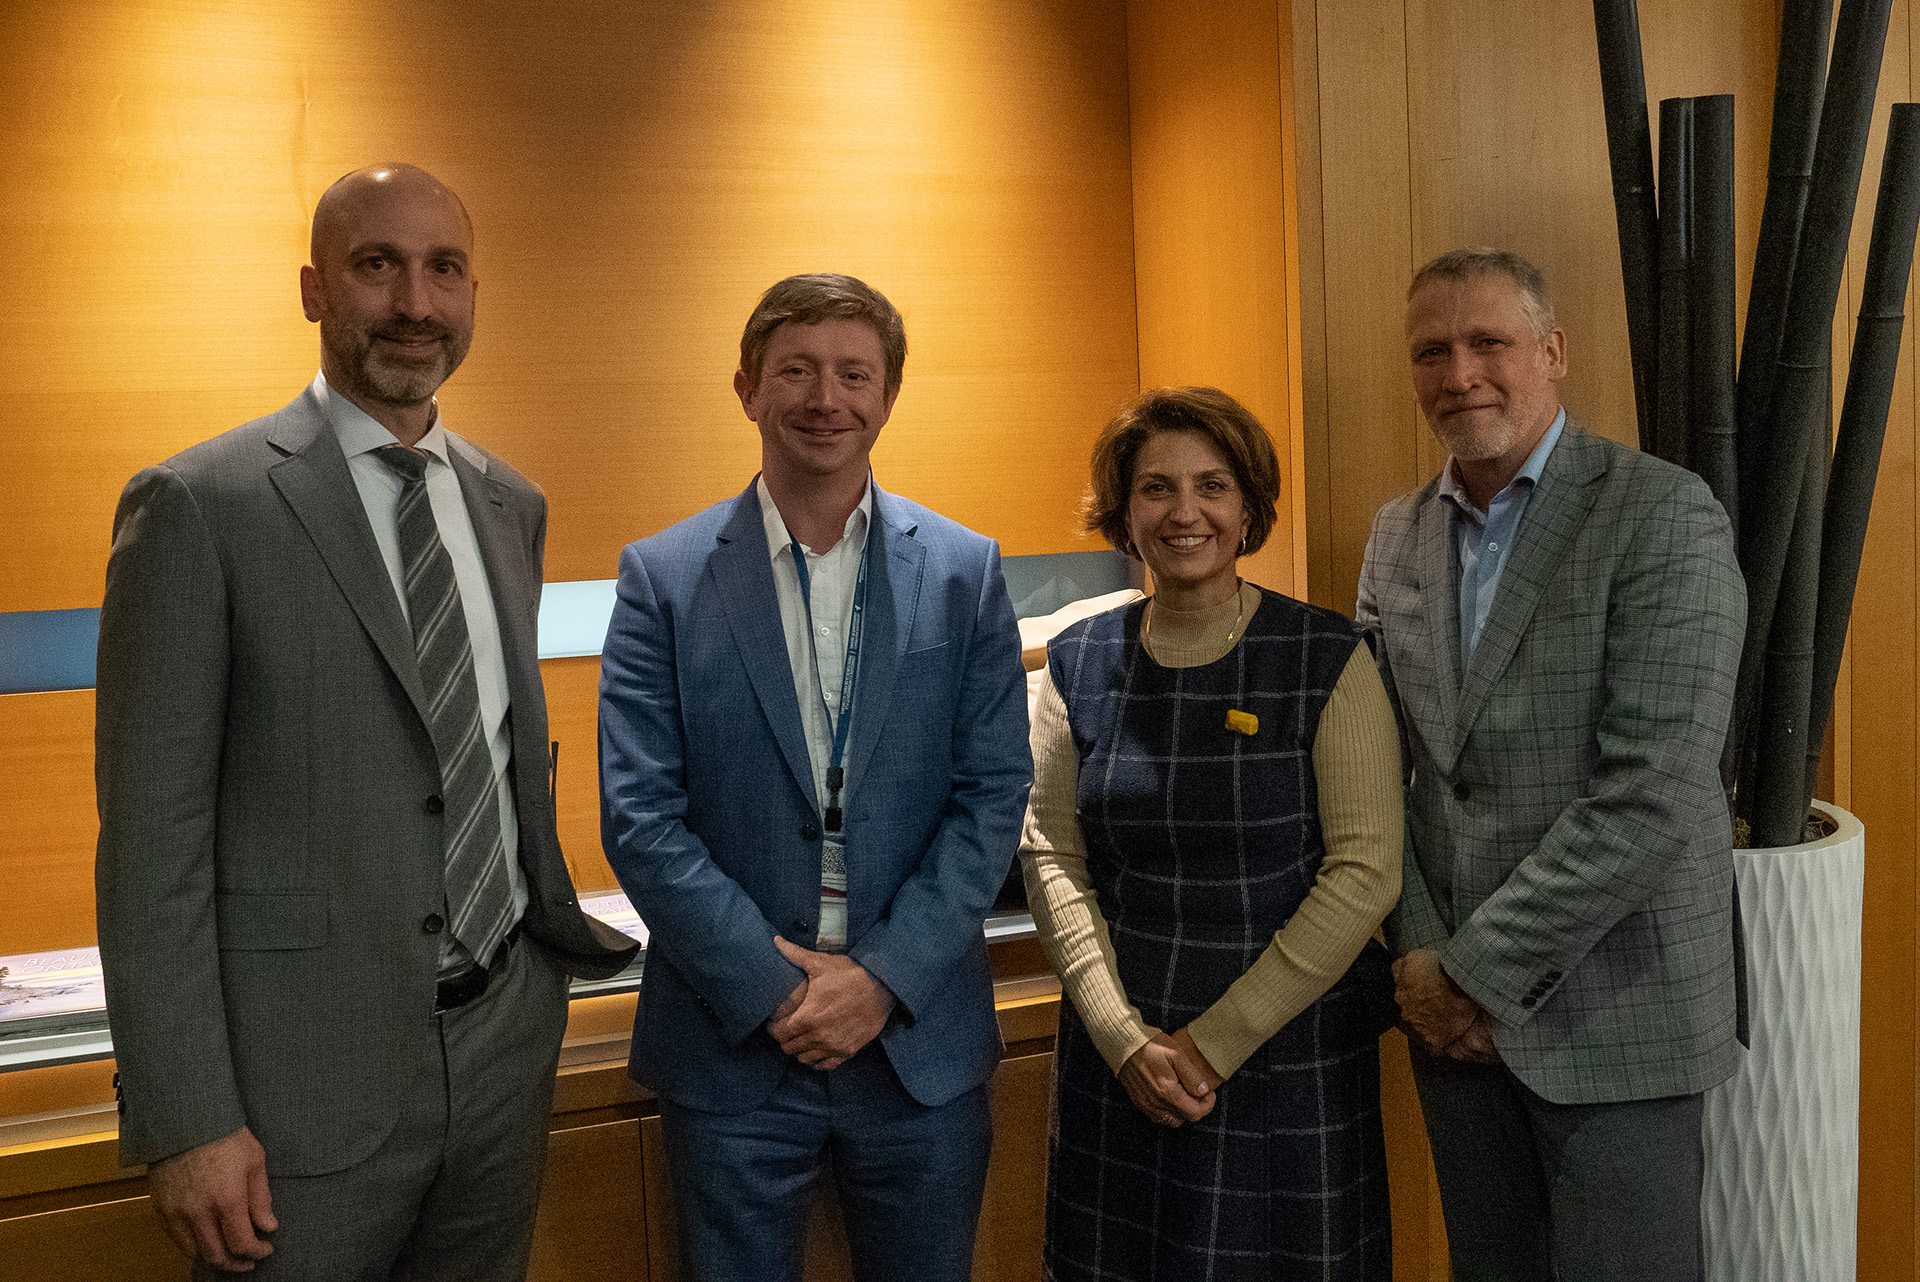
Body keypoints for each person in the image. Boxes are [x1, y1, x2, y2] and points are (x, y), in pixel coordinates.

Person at [94, 163, 638, 1279]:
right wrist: (186, 1116)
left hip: (502, 1056)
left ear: (474, 293)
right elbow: (152, 847)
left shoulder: (508, 505)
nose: (415, 304)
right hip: (296, 1094)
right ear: (313, 288)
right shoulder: (199, 505)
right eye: (376, 266)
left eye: (443, 269)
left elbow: (486, 761)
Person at [597, 273, 1031, 1281]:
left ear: (886, 396)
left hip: (916, 1044)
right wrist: (776, 987)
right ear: (747, 388)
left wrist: (879, 980)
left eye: (852, 373)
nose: (823, 397)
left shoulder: (964, 569)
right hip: (733, 1044)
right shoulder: (661, 576)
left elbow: (993, 793)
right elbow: (639, 815)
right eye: (794, 369)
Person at [1356, 248, 1747, 1281]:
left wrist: (1473, 973)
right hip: (1447, 1018)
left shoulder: (1663, 514)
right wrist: (1424, 961)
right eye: (1432, 351)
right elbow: (1381, 770)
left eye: (1490, 342)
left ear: (1554, 352)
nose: (1460, 374)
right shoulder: (1395, 536)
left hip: (1617, 1014)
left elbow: (1650, 794)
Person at [1022, 386, 1403, 1281]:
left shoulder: (1325, 657)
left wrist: (1212, 1045)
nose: (1184, 512)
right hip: (1123, 1054)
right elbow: (1051, 854)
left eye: (1213, 486)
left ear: (1249, 509)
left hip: (1288, 1052)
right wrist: (1126, 1040)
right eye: (1155, 488)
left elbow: (1365, 873)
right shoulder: (1077, 663)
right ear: (1122, 511)